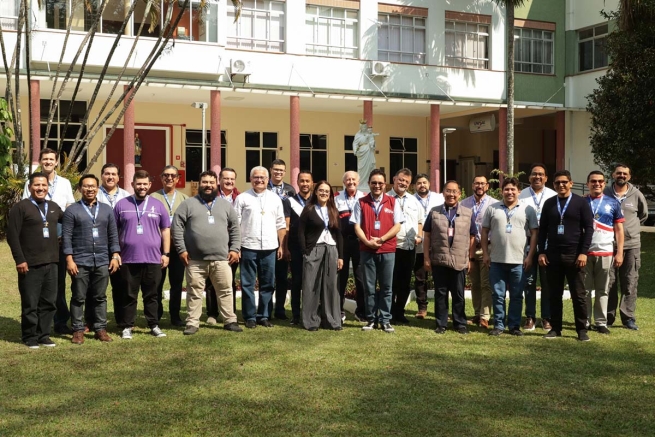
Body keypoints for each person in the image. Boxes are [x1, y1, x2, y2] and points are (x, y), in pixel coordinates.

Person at [172, 171, 242, 335]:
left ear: (216, 184)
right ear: (199, 184)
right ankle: (192, 323)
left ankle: (230, 321)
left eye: (211, 182)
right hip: (195, 260)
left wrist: (235, 248)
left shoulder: (226, 205)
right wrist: (181, 250)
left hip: (221, 259)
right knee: (194, 292)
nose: (208, 185)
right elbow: (176, 227)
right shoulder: (188, 204)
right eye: (204, 182)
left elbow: (235, 228)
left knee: (225, 291)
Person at [62, 174, 120, 344]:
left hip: (102, 260)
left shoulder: (106, 209)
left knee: (100, 297)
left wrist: (115, 255)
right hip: (80, 260)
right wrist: (69, 260)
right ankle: (78, 330)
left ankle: (100, 329)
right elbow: (66, 237)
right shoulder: (72, 210)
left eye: (93, 186)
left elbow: (113, 235)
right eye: (86, 186)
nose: (90, 189)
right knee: (78, 297)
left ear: (97, 188)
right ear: (80, 189)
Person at [22, 148, 75, 335]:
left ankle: (60, 322)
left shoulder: (65, 183)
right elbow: (25, 208)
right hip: (37, 239)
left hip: (59, 237)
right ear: (40, 161)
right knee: (36, 284)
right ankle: (37, 323)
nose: (48, 162)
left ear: (56, 162)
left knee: (57, 283)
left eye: (51, 159)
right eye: (45, 159)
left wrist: (67, 234)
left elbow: (69, 209)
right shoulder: (32, 182)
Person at [114, 170, 171, 339]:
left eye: (145, 184)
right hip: (128, 258)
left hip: (153, 258)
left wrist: (166, 253)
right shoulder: (121, 205)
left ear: (150, 185)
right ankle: (127, 326)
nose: (142, 187)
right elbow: (114, 231)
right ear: (132, 185)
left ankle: (153, 325)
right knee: (129, 294)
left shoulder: (158, 205)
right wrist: (116, 253)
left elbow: (165, 230)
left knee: (152, 294)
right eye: (139, 184)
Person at [9, 172, 64, 348]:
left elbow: (71, 222)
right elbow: (12, 236)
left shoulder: (54, 207)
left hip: (52, 262)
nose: (40, 188)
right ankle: (30, 336)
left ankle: (43, 335)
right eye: (37, 185)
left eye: (44, 185)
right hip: (30, 264)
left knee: (49, 302)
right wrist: (20, 260)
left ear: (48, 188)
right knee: (31, 302)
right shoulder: (20, 207)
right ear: (30, 187)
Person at [538, 170, 594, 341]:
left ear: (571, 183)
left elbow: (589, 229)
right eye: (557, 183)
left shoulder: (581, 203)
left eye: (564, 182)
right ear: (553, 185)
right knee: (554, 294)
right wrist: (541, 252)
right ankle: (556, 328)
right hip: (553, 256)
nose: (561, 185)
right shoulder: (549, 203)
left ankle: (581, 330)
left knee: (578, 294)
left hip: (575, 255)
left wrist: (583, 253)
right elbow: (542, 230)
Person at [481, 177, 539, 337]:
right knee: (497, 295)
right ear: (501, 191)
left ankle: (514, 326)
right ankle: (499, 325)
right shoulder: (492, 208)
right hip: (496, 261)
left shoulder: (528, 209)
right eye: (506, 189)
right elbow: (484, 231)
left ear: (519, 191)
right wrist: (486, 254)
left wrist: (530, 256)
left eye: (513, 189)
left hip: (519, 261)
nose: (509, 192)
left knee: (516, 295)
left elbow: (534, 233)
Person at [351, 169, 404, 333]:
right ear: (369, 184)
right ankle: (371, 319)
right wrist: (367, 241)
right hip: (367, 250)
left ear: (385, 184)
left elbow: (397, 225)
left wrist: (381, 240)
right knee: (369, 287)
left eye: (380, 183)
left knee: (387, 287)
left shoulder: (392, 202)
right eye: (373, 182)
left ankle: (386, 320)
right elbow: (356, 226)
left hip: (387, 250)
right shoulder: (361, 202)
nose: (377, 186)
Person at [235, 166, 287, 328]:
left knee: (268, 284)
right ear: (251, 179)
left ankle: (264, 315)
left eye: (262, 177)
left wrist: (281, 246)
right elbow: (235, 225)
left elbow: (281, 224)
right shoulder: (242, 198)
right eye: (256, 177)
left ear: (267, 179)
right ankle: (249, 316)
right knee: (248, 284)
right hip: (248, 246)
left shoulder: (275, 198)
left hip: (270, 247)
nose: (259, 180)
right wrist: (236, 247)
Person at [423, 180, 476, 335]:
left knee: (458, 294)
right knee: (441, 293)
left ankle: (460, 323)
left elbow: (472, 237)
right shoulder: (434, 212)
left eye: (454, 191)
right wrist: (426, 258)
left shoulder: (467, 213)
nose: (451, 194)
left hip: (459, 260)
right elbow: (427, 235)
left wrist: (470, 259)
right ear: (443, 193)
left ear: (459, 194)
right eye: (448, 191)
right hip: (440, 259)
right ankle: (441, 323)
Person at [604, 163, 648, 330]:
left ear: (629, 177)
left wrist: (629, 230)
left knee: (629, 282)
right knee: (610, 282)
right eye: (618, 173)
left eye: (625, 174)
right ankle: (608, 317)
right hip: (609, 244)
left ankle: (628, 317)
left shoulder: (636, 194)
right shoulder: (605, 192)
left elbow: (642, 216)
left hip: (631, 245)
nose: (621, 175)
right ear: (613, 175)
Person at [298, 181, 344, 331]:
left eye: (327, 191)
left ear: (330, 194)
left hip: (331, 249)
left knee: (331, 285)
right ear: (316, 192)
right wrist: (305, 251)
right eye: (321, 190)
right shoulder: (309, 209)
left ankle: (331, 320)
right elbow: (300, 232)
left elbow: (339, 234)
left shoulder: (333, 210)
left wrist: (340, 256)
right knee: (311, 285)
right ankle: (310, 321)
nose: (324, 193)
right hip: (314, 249)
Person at [585, 171, 624, 334]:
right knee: (584, 290)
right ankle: (584, 321)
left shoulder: (613, 203)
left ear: (604, 183)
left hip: (606, 252)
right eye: (593, 181)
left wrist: (619, 252)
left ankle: (601, 322)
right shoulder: (581, 202)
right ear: (588, 183)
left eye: (600, 181)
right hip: (584, 253)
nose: (597, 184)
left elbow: (619, 230)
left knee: (603, 289)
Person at [518, 163, 557, 331]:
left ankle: (547, 317)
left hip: (548, 245)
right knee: (529, 281)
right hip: (527, 244)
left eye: (541, 174)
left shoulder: (553, 195)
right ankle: (530, 316)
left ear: (546, 178)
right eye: (534, 174)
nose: (537, 177)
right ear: (529, 177)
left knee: (547, 282)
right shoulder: (521, 196)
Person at [151, 166, 188, 327]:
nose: (169, 178)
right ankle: (156, 315)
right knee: (156, 283)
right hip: (157, 248)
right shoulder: (152, 197)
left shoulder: (185, 199)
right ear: (161, 178)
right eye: (166, 175)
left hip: (178, 248)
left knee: (177, 283)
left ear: (178, 178)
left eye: (173, 175)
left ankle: (175, 315)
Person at [460, 175, 497, 329]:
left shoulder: (494, 204)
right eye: (477, 183)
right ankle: (476, 314)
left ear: (487, 186)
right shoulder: (464, 204)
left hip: (487, 247)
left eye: (482, 183)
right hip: (470, 248)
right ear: (472, 185)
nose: (479, 186)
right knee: (474, 283)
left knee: (486, 283)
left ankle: (485, 316)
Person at [388, 168, 424, 324]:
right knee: (390, 282)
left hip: (409, 247)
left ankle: (400, 312)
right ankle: (389, 312)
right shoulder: (386, 198)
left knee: (404, 283)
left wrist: (419, 236)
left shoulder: (414, 200)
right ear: (394, 179)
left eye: (407, 182)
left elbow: (420, 221)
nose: (403, 183)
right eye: (401, 179)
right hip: (391, 247)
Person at [205, 167, 241, 322]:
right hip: (213, 243)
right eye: (226, 178)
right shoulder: (209, 198)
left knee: (229, 280)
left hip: (232, 243)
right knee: (212, 279)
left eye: (232, 179)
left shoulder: (240, 197)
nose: (229, 181)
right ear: (219, 180)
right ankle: (212, 313)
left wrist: (236, 247)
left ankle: (229, 312)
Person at [335, 171, 366, 322]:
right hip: (342, 242)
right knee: (341, 277)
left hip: (359, 242)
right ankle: (338, 310)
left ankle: (361, 311)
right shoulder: (336, 197)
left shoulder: (364, 197)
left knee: (360, 278)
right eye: (348, 179)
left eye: (353, 179)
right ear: (344, 182)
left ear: (358, 182)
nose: (351, 182)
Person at [412, 174, 444, 319]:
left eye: (424, 182)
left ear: (429, 183)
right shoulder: (410, 200)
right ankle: (422, 307)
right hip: (418, 245)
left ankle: (441, 309)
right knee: (420, 278)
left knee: (440, 279)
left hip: (438, 244)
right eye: (419, 183)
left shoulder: (439, 198)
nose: (422, 185)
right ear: (415, 186)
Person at [267, 159, 295, 320]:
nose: (278, 172)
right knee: (268, 277)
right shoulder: (265, 187)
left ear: (285, 172)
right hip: (267, 237)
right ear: (271, 170)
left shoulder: (290, 190)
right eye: (276, 169)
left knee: (282, 277)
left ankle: (280, 309)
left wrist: (286, 243)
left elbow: (290, 216)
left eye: (281, 170)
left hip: (284, 238)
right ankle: (267, 309)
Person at [287, 170, 314, 325]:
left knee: (312, 282)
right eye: (302, 181)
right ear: (297, 182)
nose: (305, 184)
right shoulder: (290, 201)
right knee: (297, 282)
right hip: (296, 247)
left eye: (307, 181)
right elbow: (286, 226)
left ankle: (310, 313)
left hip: (314, 247)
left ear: (312, 183)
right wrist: (286, 247)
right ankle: (296, 314)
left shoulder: (316, 202)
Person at [352, 121, 376, 191]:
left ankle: (368, 182)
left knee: (369, 167)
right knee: (361, 168)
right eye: (363, 127)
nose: (364, 128)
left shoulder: (369, 134)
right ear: (361, 127)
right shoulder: (358, 135)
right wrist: (355, 151)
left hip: (369, 151)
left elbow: (373, 142)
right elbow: (355, 143)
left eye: (365, 127)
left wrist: (373, 144)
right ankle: (361, 183)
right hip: (362, 152)